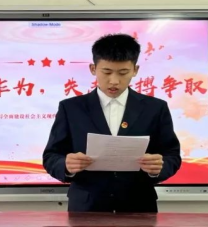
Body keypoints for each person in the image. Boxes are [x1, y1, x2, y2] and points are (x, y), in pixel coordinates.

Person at [43, 33, 182, 213]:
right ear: (93, 68)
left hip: (139, 207)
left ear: (135, 70)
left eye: (123, 73)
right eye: (106, 72)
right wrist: (66, 166)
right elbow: (51, 156)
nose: (114, 81)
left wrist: (157, 167)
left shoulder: (155, 108)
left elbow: (172, 155)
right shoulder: (71, 108)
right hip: (86, 208)